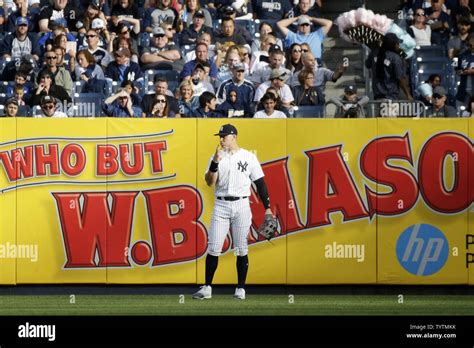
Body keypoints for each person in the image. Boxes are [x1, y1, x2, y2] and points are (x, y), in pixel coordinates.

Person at [192, 123, 274, 300]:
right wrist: (214, 163)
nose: (221, 139)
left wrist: (267, 207)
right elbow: (209, 182)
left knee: (241, 248)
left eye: (224, 136)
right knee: (213, 247)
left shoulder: (249, 157)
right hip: (221, 205)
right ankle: (207, 287)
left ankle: (240, 289)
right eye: (220, 136)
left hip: (242, 205)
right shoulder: (216, 157)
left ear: (234, 137)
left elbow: (260, 183)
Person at [366, 33, 413, 101]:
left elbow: (367, 64)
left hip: (377, 97)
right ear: (393, 45)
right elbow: (400, 78)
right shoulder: (395, 58)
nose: (398, 45)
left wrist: (375, 48)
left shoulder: (374, 53)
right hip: (391, 96)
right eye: (397, 43)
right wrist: (408, 94)